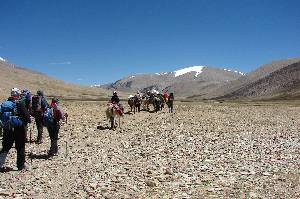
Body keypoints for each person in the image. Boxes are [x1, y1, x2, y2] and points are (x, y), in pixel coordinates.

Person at [0, 88, 31, 171]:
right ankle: (20, 166)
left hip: (7, 128)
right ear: (17, 95)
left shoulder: (4, 104)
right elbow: (28, 117)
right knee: (20, 147)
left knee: (5, 147)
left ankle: (0, 164)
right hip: (19, 129)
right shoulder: (19, 103)